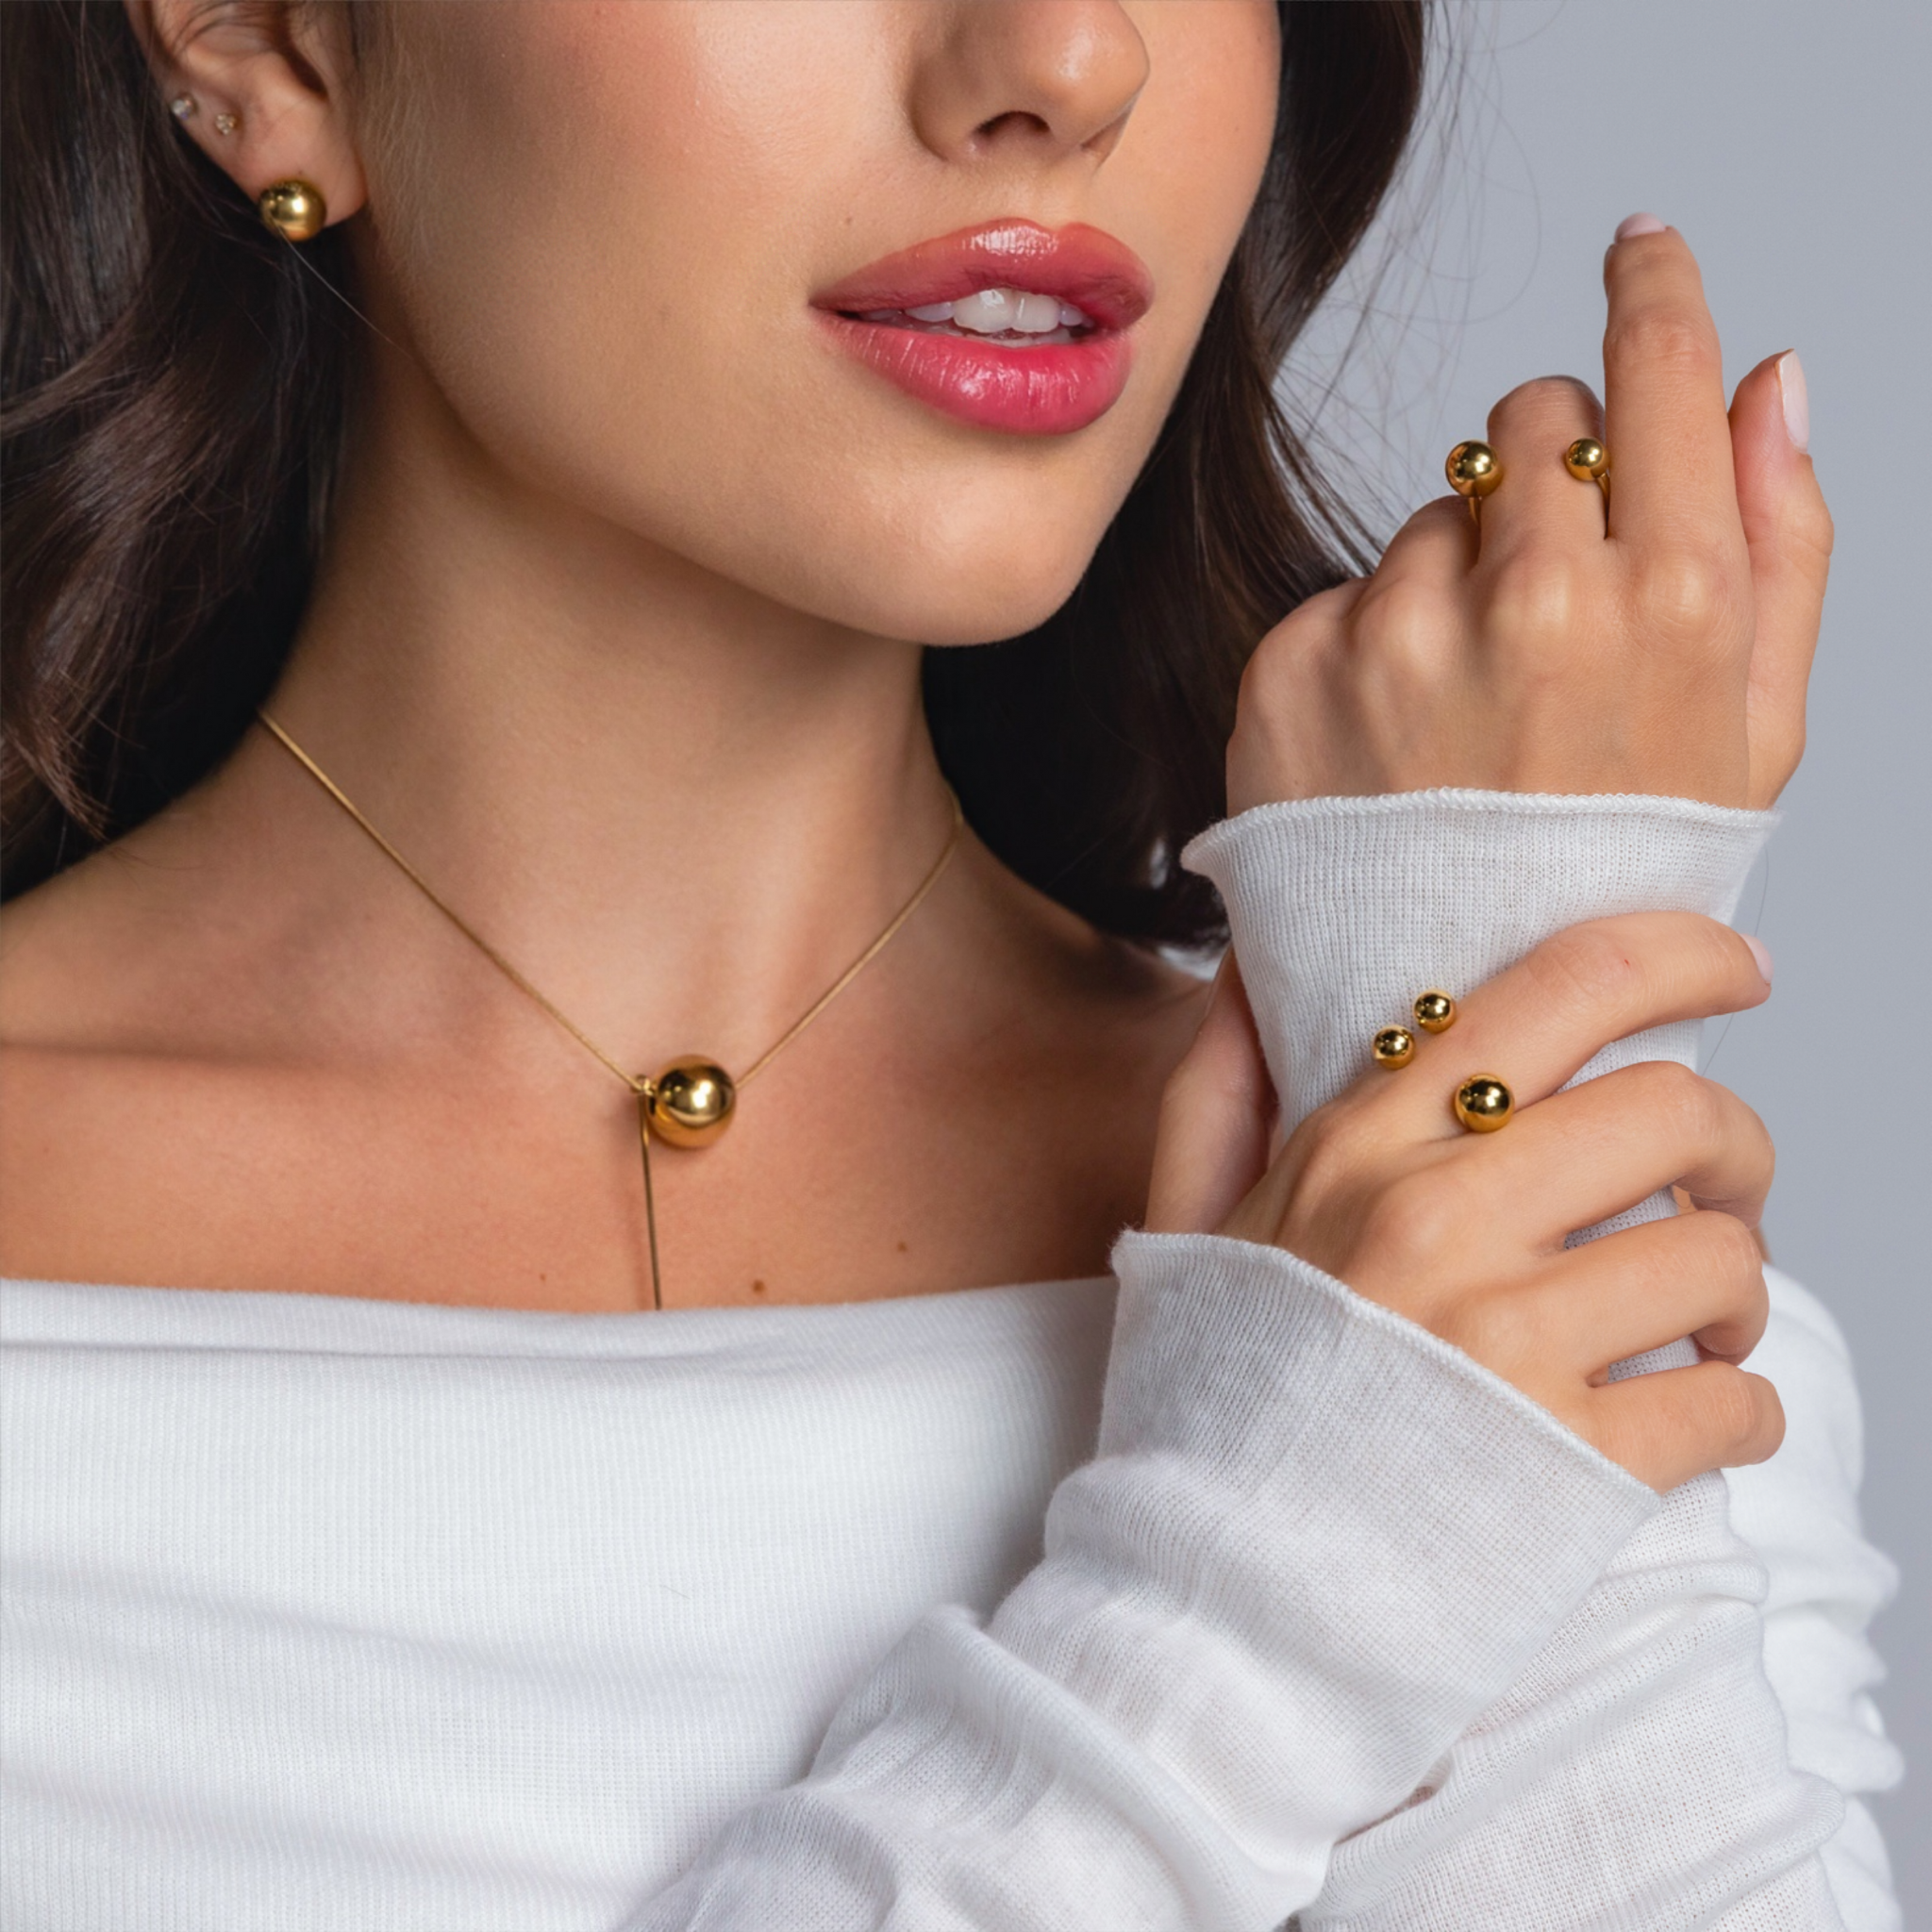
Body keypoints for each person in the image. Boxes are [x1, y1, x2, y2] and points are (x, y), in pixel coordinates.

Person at [0, 3, 1900, 1927]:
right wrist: (1300, 1571)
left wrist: (1477, 1004)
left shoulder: (1520, 1296)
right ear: (268, 41)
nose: (1071, 60)